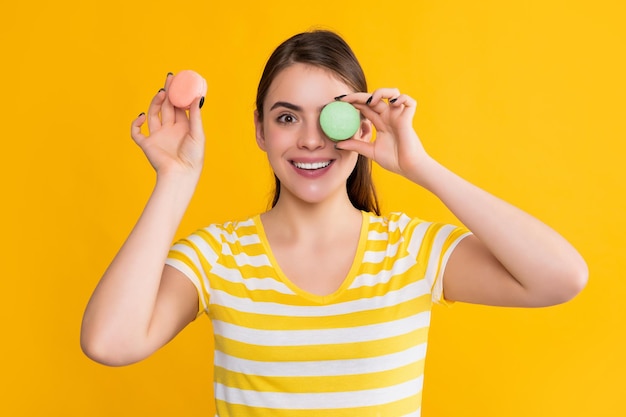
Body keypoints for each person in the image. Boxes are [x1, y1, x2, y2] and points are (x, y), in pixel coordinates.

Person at [81, 30, 588, 416]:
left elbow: (561, 277)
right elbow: (109, 342)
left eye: (330, 117)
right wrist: (175, 178)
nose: (309, 140)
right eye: (286, 117)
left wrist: (419, 167)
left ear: (362, 125)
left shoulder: (410, 249)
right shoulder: (218, 256)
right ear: (259, 129)